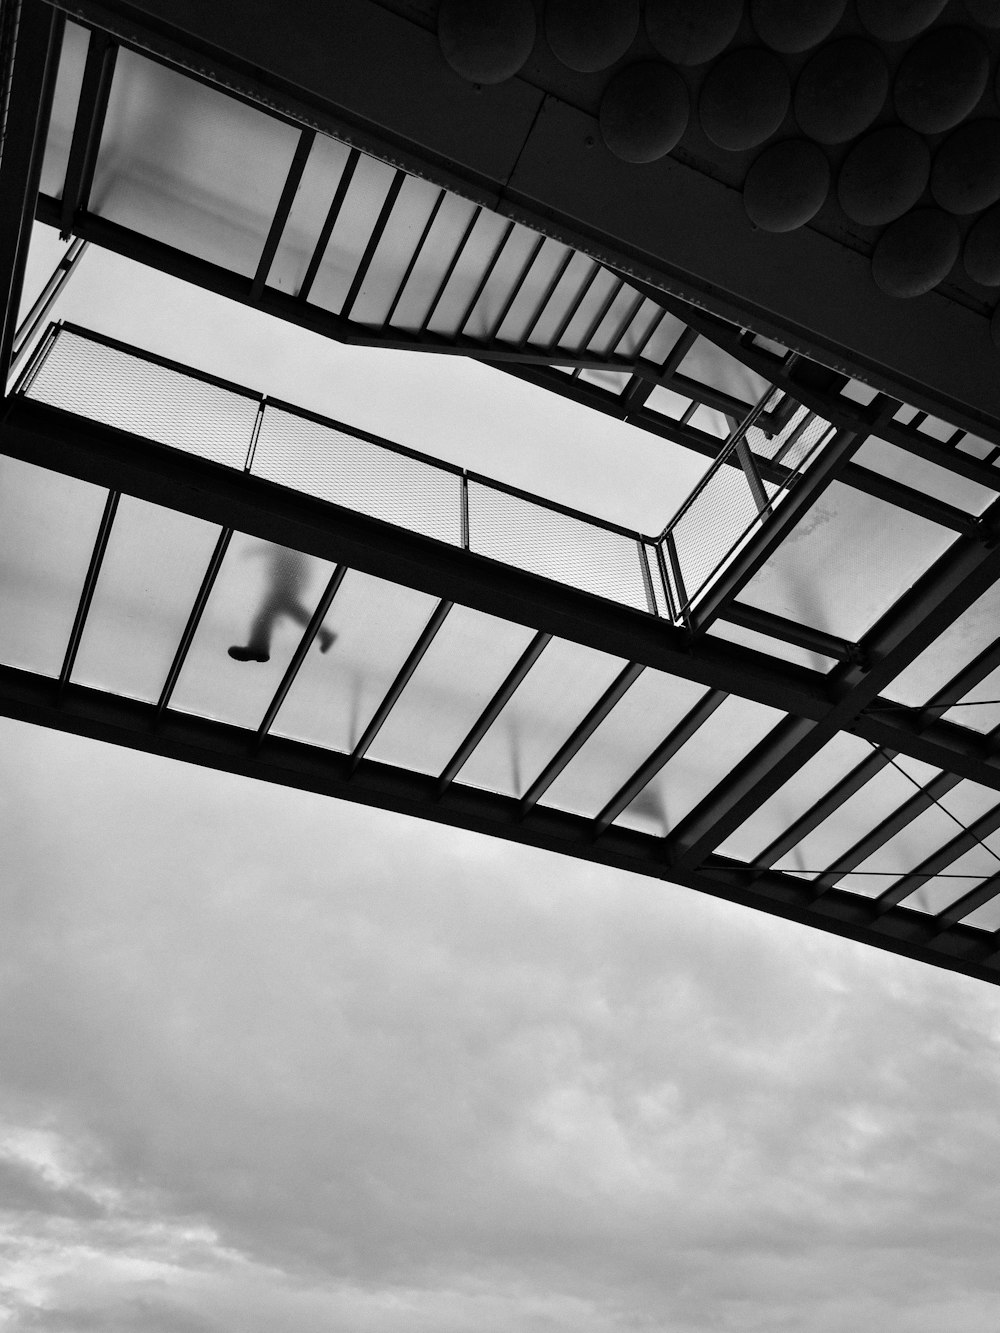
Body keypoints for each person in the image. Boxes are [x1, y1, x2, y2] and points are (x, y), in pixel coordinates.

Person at [228, 545, 335, 663]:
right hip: (288, 583)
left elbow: (273, 548)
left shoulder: (289, 547)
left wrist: (252, 551)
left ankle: (259, 648)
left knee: (267, 615)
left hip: (285, 583)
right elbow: (274, 549)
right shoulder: (294, 550)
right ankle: (324, 634)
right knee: (288, 612)